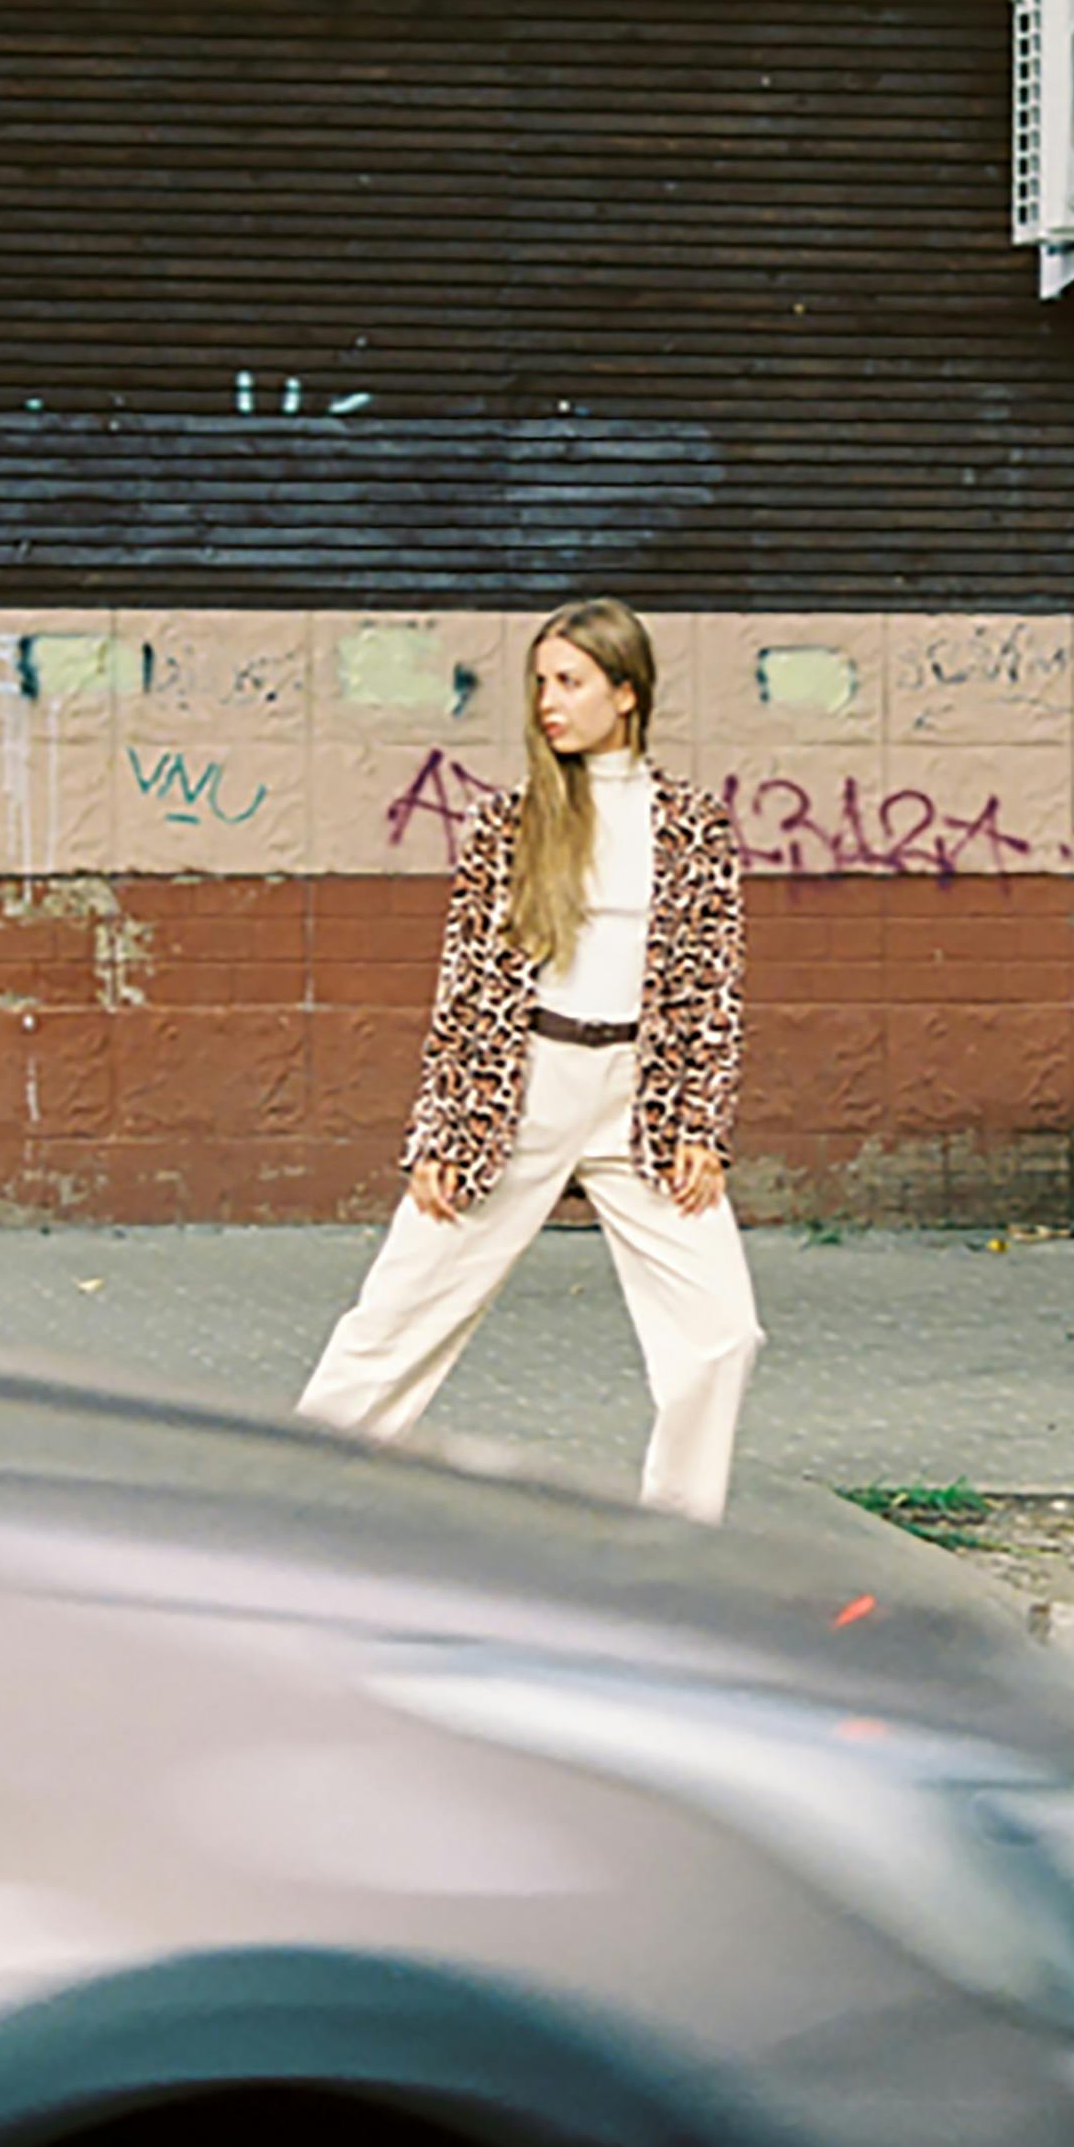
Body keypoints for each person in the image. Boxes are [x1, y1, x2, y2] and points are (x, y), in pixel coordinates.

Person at [295, 595, 763, 1520]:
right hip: (522, 1092)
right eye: (541, 683)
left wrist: (702, 1122)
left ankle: (677, 1532)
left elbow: (714, 986)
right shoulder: (508, 822)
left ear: (624, 693)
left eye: (570, 682)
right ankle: (286, 1497)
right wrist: (436, 1130)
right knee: (398, 1313)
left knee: (721, 1333)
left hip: (646, 1107)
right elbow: (464, 989)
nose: (549, 702)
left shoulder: (696, 829)